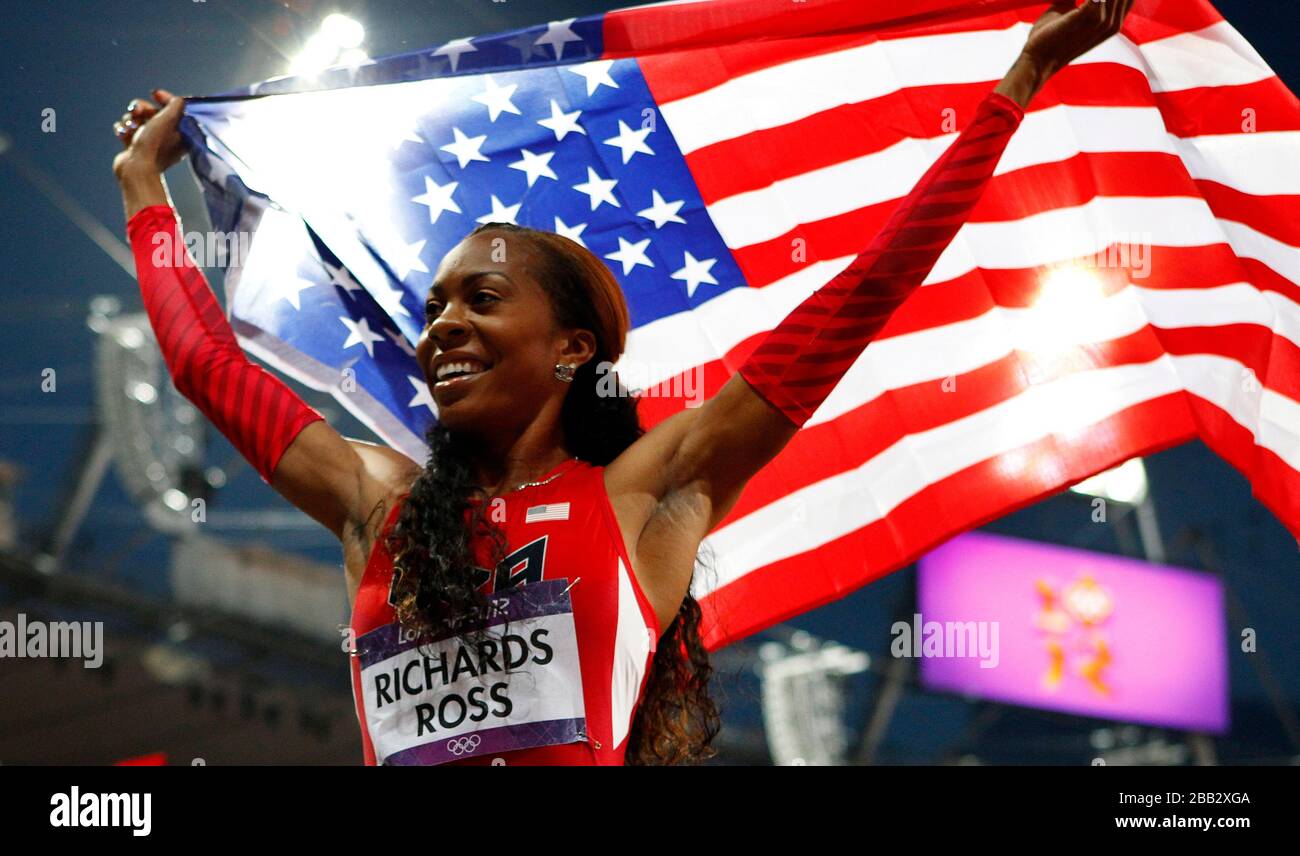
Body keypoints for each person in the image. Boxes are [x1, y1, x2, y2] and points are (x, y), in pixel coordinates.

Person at [111, 0, 1134, 765]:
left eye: (480, 300)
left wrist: (1016, 86)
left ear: (569, 350)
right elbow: (206, 368)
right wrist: (145, 196)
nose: (442, 327)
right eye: (433, 309)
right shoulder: (376, 505)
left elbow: (856, 300)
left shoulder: (647, 493)